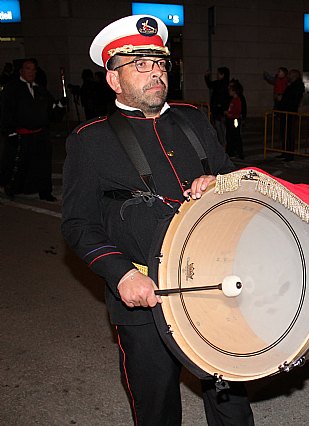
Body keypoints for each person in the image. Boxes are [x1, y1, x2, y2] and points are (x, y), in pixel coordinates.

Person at [60, 15, 254, 425]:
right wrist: (120, 275)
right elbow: (78, 224)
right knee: (156, 402)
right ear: (114, 79)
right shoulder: (90, 139)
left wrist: (218, 181)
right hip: (143, 289)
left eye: (161, 64)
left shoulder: (193, 119)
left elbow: (233, 175)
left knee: (229, 395)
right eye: (141, 65)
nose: (156, 74)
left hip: (213, 283)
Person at [0, 58, 65, 201]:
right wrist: (9, 131)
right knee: (19, 164)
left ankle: (45, 192)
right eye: (28, 69)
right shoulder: (12, 89)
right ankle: (12, 187)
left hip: (40, 134)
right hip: (21, 134)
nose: (31, 72)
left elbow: (51, 111)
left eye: (33, 69)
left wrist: (60, 106)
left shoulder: (40, 90)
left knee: (43, 164)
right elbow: (6, 110)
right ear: (21, 71)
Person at [276, 68, 305, 161]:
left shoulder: (297, 86)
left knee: (289, 134)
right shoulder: (292, 85)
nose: (288, 76)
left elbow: (292, 100)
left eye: (290, 75)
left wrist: (282, 100)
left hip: (290, 112)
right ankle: (285, 152)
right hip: (285, 112)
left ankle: (289, 154)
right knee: (284, 133)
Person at [204, 66, 231, 147]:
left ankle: (224, 143)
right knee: (220, 127)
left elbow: (210, 85)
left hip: (221, 110)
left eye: (219, 74)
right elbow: (210, 84)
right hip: (220, 109)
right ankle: (224, 143)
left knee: (221, 127)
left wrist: (206, 77)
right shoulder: (224, 83)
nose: (217, 75)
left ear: (222, 75)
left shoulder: (222, 84)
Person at [225, 79, 244, 159]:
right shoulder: (233, 100)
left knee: (235, 135)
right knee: (230, 135)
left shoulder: (237, 100)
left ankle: (238, 152)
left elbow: (238, 111)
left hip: (235, 120)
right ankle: (231, 152)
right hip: (231, 119)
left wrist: (230, 114)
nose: (229, 92)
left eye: (230, 90)